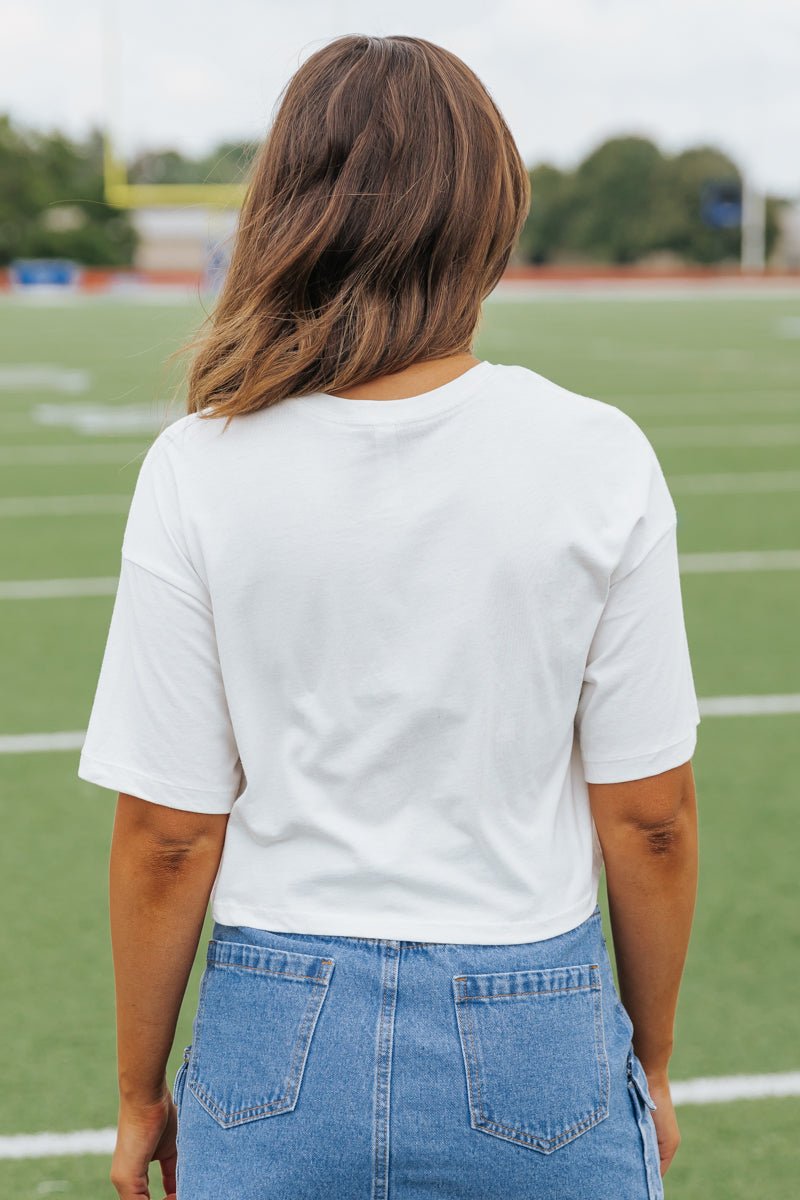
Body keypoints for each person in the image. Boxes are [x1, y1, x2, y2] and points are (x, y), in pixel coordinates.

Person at [77, 33, 700, 1200]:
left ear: (285, 208)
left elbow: (169, 831)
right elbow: (649, 816)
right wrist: (648, 1064)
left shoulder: (198, 464)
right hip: (537, 1023)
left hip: (273, 1030)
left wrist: (136, 1094)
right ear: (487, 214)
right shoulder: (595, 454)